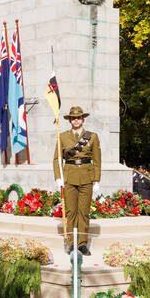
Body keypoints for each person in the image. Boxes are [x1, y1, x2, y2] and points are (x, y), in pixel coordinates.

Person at [53, 106, 101, 256]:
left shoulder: (92, 136)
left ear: (83, 119)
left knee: (84, 212)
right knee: (71, 212)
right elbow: (57, 159)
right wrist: (58, 177)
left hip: (86, 177)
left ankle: (82, 244)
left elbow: (97, 160)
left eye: (79, 118)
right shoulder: (62, 137)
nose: (76, 120)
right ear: (70, 120)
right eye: (73, 118)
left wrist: (96, 179)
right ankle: (71, 243)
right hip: (69, 176)